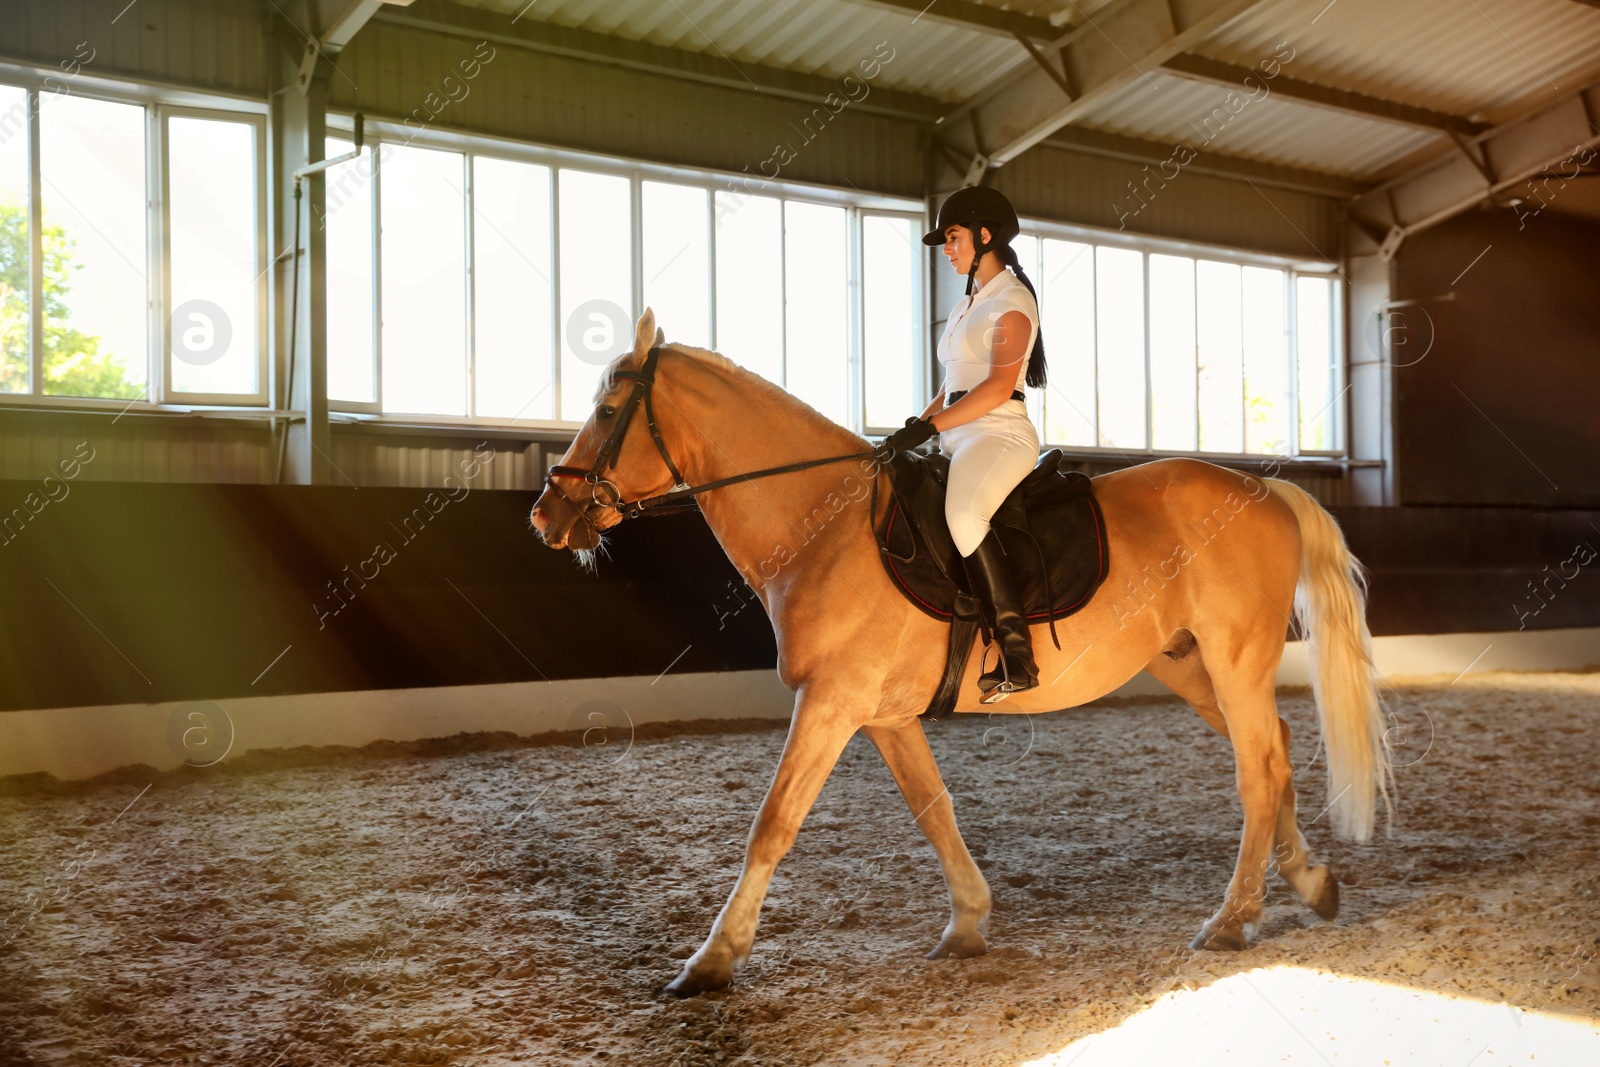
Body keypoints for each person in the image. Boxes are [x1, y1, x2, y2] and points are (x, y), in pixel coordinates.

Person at [877, 186, 1050, 704]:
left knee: (963, 514)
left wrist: (931, 429)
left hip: (999, 433)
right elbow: (949, 388)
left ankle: (1017, 654)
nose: (946, 249)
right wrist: (912, 427)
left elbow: (997, 387)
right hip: (955, 433)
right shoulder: (965, 305)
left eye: (952, 238)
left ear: (984, 235)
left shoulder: (1013, 300)